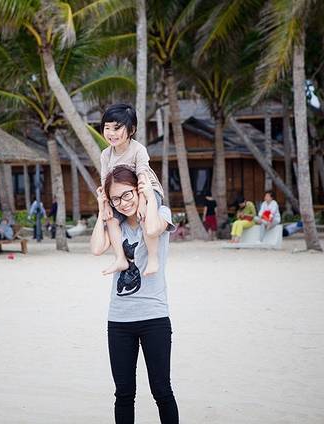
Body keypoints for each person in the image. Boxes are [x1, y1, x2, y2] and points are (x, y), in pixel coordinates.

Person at [90, 165, 179, 424]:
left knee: (162, 391)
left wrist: (148, 196)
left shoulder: (161, 213)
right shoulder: (115, 224)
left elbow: (151, 230)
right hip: (119, 320)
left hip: (154, 317)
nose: (123, 202)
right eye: (116, 198)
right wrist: (102, 211)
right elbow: (97, 248)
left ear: (137, 189)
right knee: (124, 394)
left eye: (127, 194)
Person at [100, 103, 165, 277]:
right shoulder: (106, 155)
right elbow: (105, 181)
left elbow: (143, 176)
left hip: (148, 190)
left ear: (132, 130)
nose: (111, 133)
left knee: (144, 217)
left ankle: (153, 258)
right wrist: (105, 206)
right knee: (111, 220)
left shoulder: (138, 150)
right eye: (107, 128)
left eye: (117, 128)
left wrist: (143, 202)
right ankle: (120, 258)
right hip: (123, 195)